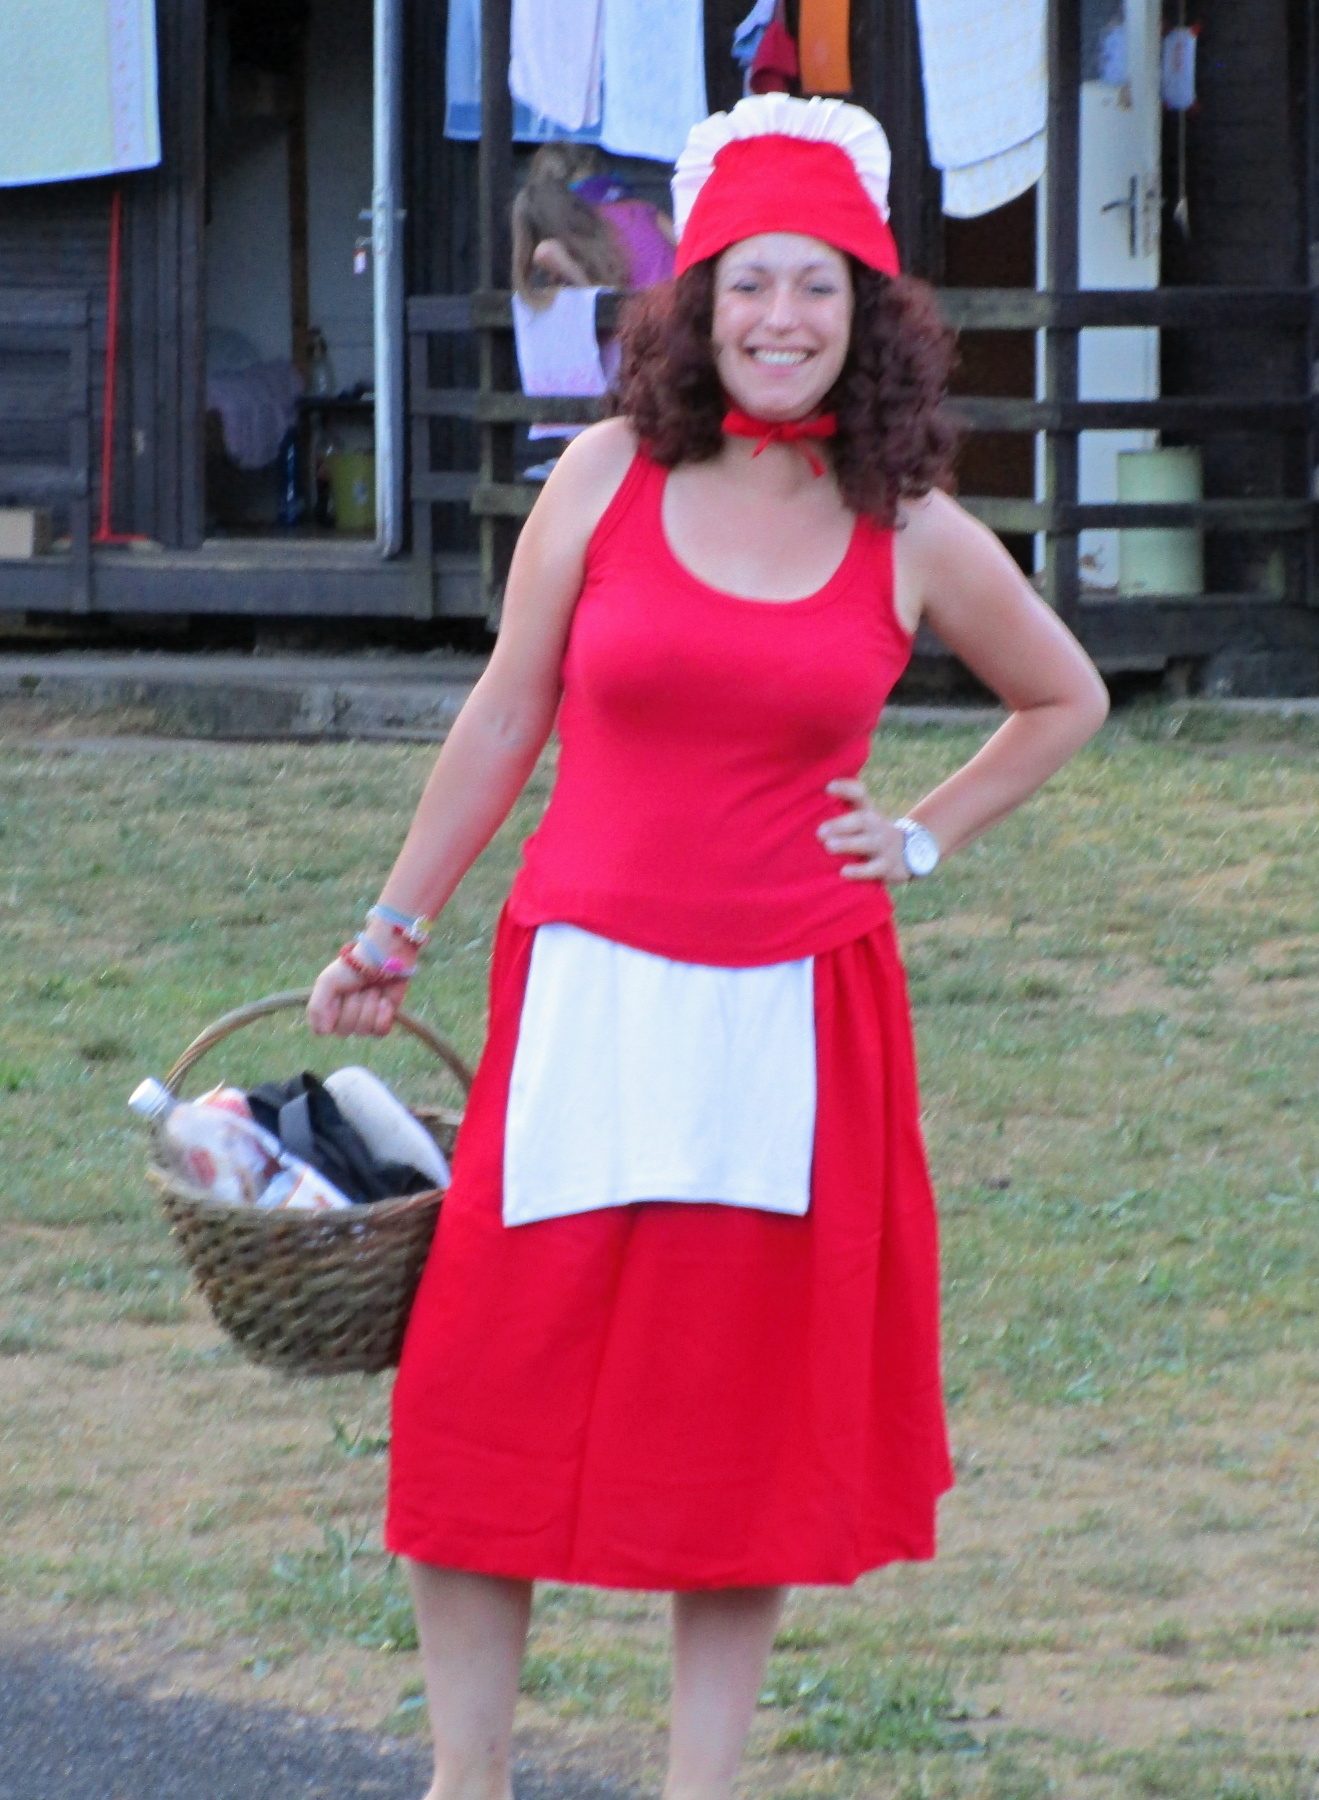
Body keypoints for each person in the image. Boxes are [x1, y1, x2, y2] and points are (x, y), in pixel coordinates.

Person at [308, 92, 1109, 1800]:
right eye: (748, 282)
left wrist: (917, 834)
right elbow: (505, 709)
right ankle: (467, 1779)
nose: (779, 319)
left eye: (817, 286)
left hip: (790, 1014)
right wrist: (394, 921)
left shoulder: (910, 529)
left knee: (733, 1412)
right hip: (584, 989)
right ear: (696, 301)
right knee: (481, 1376)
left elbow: (1063, 697)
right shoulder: (604, 474)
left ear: (866, 313)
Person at [512, 141, 675, 302]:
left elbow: (546, 251)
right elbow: (681, 241)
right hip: (675, 301)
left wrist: (592, 292)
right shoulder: (643, 209)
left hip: (634, 311)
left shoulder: (571, 227)